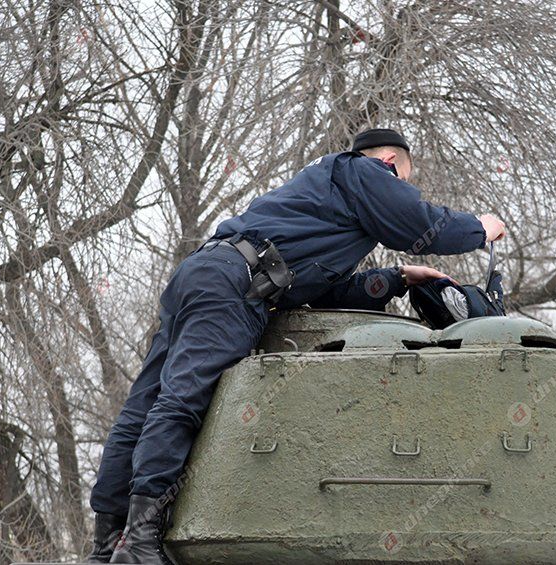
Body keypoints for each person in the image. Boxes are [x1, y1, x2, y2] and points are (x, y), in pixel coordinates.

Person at [87, 128, 506, 564]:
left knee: (145, 406)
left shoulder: (320, 201)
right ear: (389, 163)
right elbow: (422, 224)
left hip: (207, 273)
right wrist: (480, 229)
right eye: (403, 180)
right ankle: (139, 543)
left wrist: (398, 278)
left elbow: (327, 291)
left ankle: (107, 545)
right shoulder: (364, 170)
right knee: (183, 401)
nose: (400, 189)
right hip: (237, 285)